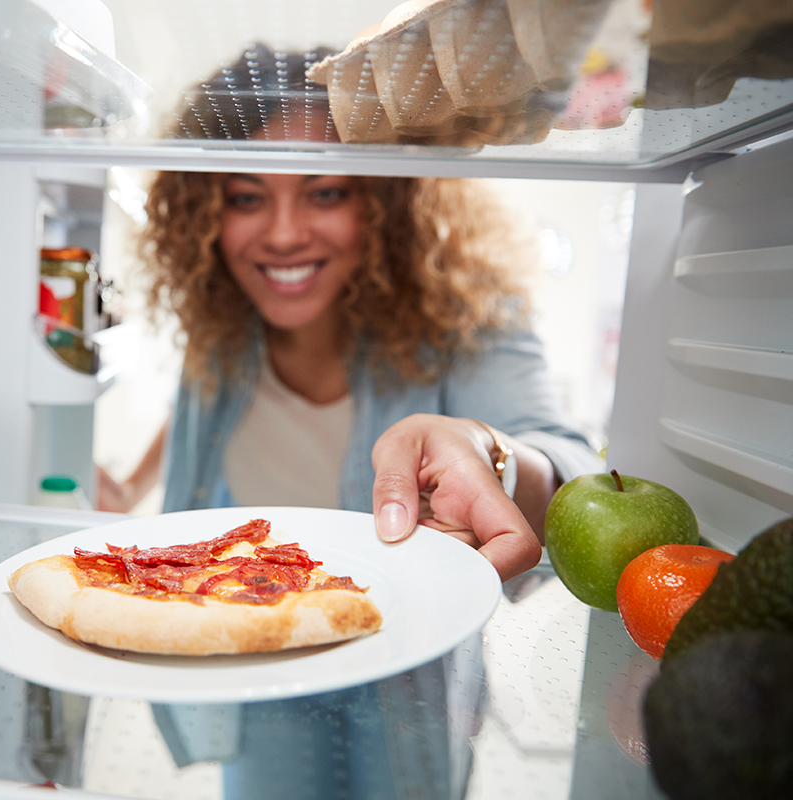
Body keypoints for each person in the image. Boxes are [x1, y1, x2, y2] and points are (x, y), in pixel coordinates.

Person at [98, 44, 603, 583]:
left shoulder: (468, 318)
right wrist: (129, 488)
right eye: (247, 198)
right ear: (207, 214)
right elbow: (194, 403)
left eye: (327, 193)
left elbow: (576, 476)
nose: (285, 234)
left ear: (388, 203)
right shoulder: (227, 319)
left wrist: (487, 451)